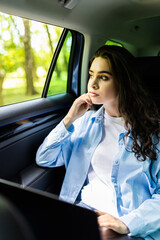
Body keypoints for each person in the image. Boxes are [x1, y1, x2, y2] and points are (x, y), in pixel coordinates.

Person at [36, 45, 160, 239]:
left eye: (103, 77)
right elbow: (45, 158)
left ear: (123, 82)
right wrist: (69, 119)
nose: (92, 84)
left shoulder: (154, 132)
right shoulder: (85, 122)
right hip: (83, 211)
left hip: (127, 224)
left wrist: (127, 224)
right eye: (91, 74)